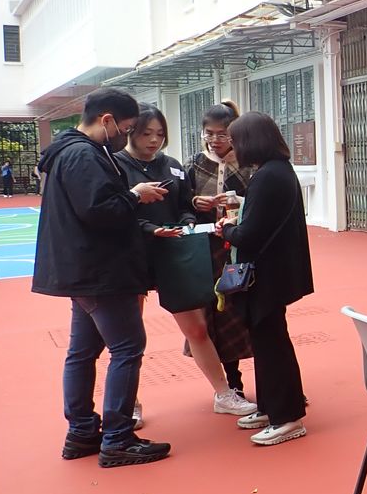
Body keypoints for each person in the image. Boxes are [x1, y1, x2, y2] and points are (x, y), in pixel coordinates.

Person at [33, 88, 172, 467]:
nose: (126, 136)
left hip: (84, 270)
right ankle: (117, 437)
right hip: (101, 271)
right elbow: (100, 210)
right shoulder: (84, 154)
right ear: (106, 119)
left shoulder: (70, 152)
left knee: (83, 352)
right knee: (126, 348)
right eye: (126, 129)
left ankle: (82, 431)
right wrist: (135, 196)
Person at [116, 105, 258, 419]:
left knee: (197, 328)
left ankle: (225, 394)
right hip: (131, 258)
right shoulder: (115, 166)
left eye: (160, 134)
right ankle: (129, 404)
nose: (154, 140)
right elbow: (112, 212)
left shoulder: (172, 166)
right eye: (147, 133)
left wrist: (187, 221)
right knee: (129, 337)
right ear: (131, 132)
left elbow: (184, 205)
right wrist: (150, 227)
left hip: (174, 253)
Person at [216, 112, 313, 446]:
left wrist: (226, 229)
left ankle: (286, 416)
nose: (233, 147)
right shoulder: (277, 171)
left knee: (271, 344)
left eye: (235, 140)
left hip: (266, 275)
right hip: (276, 272)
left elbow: (250, 234)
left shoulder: (267, 176)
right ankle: (274, 407)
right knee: (269, 342)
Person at [186, 101, 254, 398]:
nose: (215, 139)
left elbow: (258, 201)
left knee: (248, 310)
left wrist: (238, 204)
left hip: (240, 244)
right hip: (207, 249)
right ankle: (232, 381)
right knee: (217, 312)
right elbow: (182, 202)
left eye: (222, 134)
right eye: (209, 133)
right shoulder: (194, 163)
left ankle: (273, 379)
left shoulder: (248, 163)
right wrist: (194, 203)